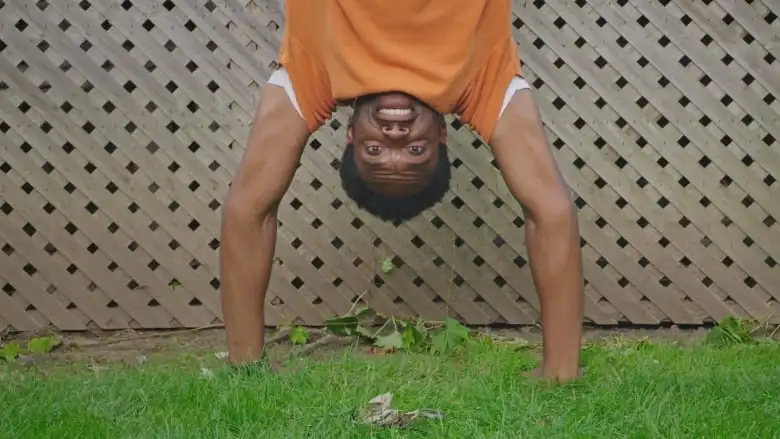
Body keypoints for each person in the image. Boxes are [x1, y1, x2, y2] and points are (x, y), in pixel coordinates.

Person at [219, 0, 584, 382]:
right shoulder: (481, 79)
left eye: (374, 151)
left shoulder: (314, 73)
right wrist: (560, 370)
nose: (395, 136)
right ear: (441, 136)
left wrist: (246, 366)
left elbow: (249, 210)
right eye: (416, 151)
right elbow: (551, 213)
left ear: (351, 136)